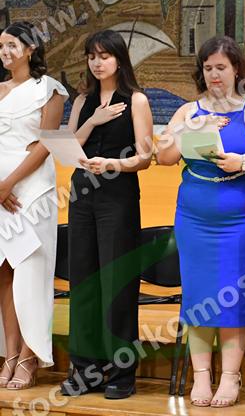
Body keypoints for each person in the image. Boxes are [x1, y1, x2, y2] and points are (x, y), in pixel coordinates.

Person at [156, 36, 245, 408]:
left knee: (233, 296)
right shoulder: (187, 111)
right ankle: (201, 376)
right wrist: (189, 128)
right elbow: (164, 157)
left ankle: (230, 376)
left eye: (221, 67)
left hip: (242, 220)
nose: (214, 74)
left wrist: (241, 162)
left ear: (236, 69)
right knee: (198, 297)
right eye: (208, 67)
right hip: (195, 218)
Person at [61, 30, 154, 399]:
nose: (97, 63)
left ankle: (121, 371)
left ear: (119, 59)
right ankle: (85, 369)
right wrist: (94, 120)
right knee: (83, 281)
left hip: (118, 196)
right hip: (82, 194)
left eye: (105, 56)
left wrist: (113, 163)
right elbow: (69, 147)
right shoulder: (83, 100)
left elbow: (145, 157)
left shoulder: (137, 100)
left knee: (117, 280)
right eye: (92, 56)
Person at [0, 22, 67, 390]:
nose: (5, 52)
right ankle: (9, 355)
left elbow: (47, 144)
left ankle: (30, 357)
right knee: (5, 274)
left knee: (30, 273)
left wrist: (8, 183)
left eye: (12, 45)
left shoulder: (49, 89)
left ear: (30, 48)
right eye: (1, 46)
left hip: (33, 191)